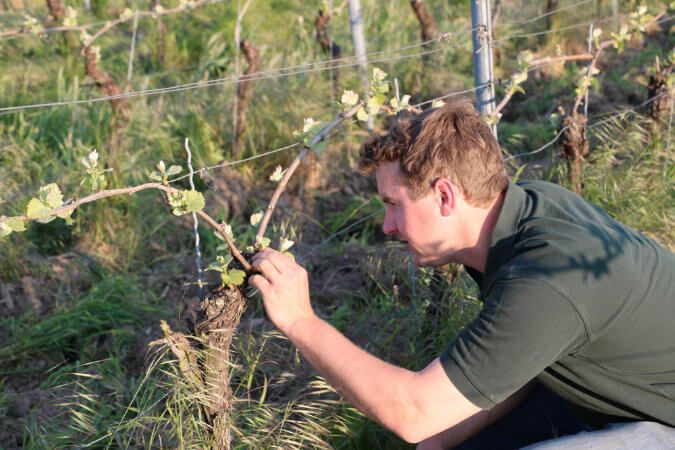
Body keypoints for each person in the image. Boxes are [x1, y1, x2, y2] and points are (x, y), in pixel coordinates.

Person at [249, 100, 675, 448]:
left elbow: (412, 412)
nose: (387, 227)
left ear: (445, 196)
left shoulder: (545, 281)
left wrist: (300, 321)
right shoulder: (532, 209)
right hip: (629, 395)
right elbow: (521, 359)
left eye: (393, 204)